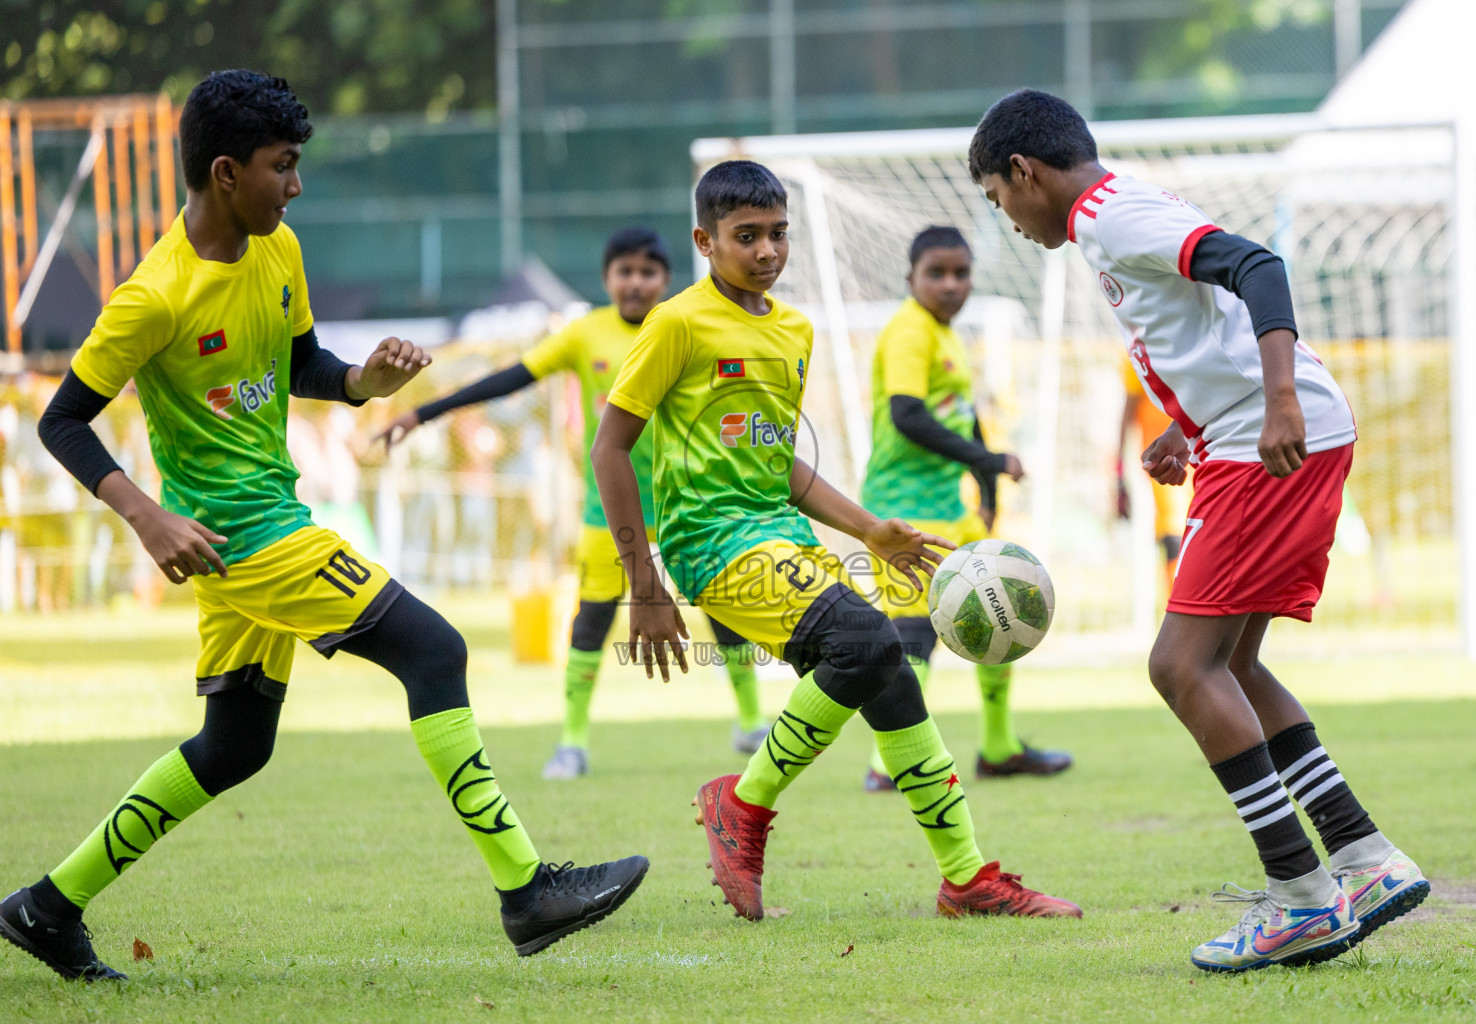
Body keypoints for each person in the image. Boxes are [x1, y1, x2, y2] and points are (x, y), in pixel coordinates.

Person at [0, 71, 645, 983]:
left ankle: (46, 906)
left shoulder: (278, 251)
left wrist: (364, 382)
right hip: (248, 539)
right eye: (283, 167)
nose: (295, 186)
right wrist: (145, 518)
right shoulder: (153, 297)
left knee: (234, 748)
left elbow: (302, 361)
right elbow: (61, 419)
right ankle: (526, 891)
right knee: (436, 651)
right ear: (226, 173)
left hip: (268, 523)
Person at [968, 89, 1429, 973]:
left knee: (1179, 666)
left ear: (1023, 171)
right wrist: (1192, 421)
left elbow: (1258, 267)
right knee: (1233, 665)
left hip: (1271, 442)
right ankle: (1364, 858)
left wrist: (1278, 399)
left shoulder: (1111, 216)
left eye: (999, 200)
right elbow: (1206, 319)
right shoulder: (1119, 212)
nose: (1011, 222)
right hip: (1244, 435)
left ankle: (1300, 897)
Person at [590, 159, 1082, 923]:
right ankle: (743, 803)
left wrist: (867, 530)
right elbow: (610, 447)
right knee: (866, 641)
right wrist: (643, 583)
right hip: (708, 543)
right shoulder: (677, 322)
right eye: (745, 236)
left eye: (777, 234)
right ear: (705, 241)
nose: (766, 251)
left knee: (890, 671)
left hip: (778, 534)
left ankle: (966, 879)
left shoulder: (793, 330)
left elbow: (778, 462)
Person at [377, 228, 770, 779]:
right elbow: (510, 378)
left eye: (648, 272)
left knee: (727, 612)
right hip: (609, 514)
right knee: (592, 623)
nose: (636, 283)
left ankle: (752, 721)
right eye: (625, 272)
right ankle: (573, 741)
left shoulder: (685, 327)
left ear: (666, 279)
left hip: (694, 506)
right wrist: (422, 413)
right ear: (608, 278)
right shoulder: (585, 334)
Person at [859, 225, 1072, 792]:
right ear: (912, 278)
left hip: (946, 507)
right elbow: (908, 415)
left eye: (960, 273)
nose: (951, 284)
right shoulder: (909, 330)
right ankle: (888, 764)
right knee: (913, 636)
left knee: (998, 611)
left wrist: (987, 483)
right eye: (937, 273)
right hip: (901, 509)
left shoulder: (947, 334)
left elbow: (961, 415)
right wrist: (992, 460)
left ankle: (999, 748)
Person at [1115, 352, 1193, 604]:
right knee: (1174, 529)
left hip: (1204, 444)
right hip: (1164, 454)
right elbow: (1128, 410)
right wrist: (1118, 471)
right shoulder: (1138, 351)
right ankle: (1181, 603)